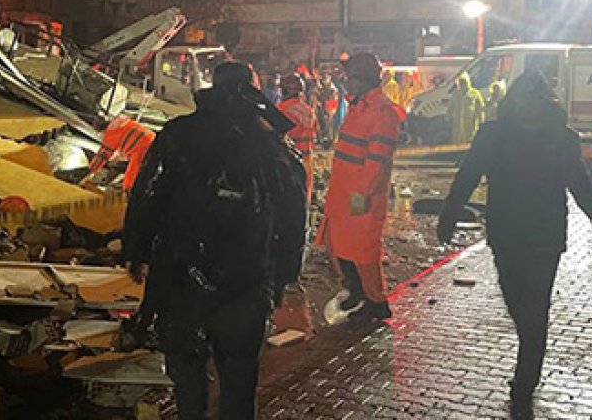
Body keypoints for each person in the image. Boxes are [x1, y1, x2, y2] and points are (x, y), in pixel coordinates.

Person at [122, 61, 307, 420]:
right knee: (239, 375)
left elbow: (148, 193)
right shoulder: (269, 144)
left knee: (187, 370)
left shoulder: (179, 134)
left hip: (181, 275)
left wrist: (136, 249)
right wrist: (285, 274)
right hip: (247, 280)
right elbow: (293, 213)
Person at [437, 73, 592, 418]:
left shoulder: (561, 138)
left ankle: (525, 381)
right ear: (512, 101)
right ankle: (529, 344)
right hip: (506, 234)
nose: (527, 105)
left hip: (545, 235)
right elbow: (468, 174)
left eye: (533, 99)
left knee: (536, 307)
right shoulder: (493, 135)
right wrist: (449, 214)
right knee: (516, 302)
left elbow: (579, 183)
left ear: (545, 103)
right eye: (521, 98)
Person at [316, 53, 402, 321]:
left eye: (350, 77)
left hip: (362, 197)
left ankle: (376, 301)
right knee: (339, 246)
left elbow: (377, 161)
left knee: (363, 251)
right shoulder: (359, 107)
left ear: (363, 79)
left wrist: (362, 194)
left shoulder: (381, 112)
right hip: (344, 193)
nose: (346, 82)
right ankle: (357, 291)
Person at [84, 115, 155, 192]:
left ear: (101, 131)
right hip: (154, 141)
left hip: (141, 149)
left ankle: (127, 192)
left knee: (131, 172)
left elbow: (102, 156)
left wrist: (90, 173)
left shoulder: (111, 133)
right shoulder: (124, 122)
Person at [278, 73, 319, 204]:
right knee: (303, 198)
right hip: (307, 161)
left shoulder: (281, 110)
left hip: (287, 163)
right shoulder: (309, 111)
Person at [448, 72, 486, 143]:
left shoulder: (475, 93)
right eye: (460, 82)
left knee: (470, 141)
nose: (462, 83)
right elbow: (450, 107)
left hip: (470, 124)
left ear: (467, 82)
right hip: (458, 124)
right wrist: (448, 117)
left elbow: (480, 108)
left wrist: (481, 121)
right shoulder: (455, 94)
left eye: (463, 81)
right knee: (457, 141)